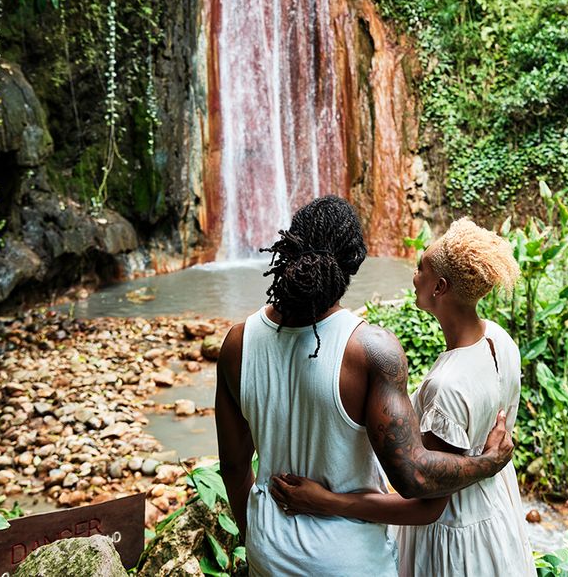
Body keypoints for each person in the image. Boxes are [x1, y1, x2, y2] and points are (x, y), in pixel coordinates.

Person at [215, 198, 514, 577]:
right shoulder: (370, 349)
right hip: (352, 561)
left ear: (289, 245)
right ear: (353, 264)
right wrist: (487, 463)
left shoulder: (237, 343)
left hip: (268, 554)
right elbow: (414, 477)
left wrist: (257, 535)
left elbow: (233, 467)